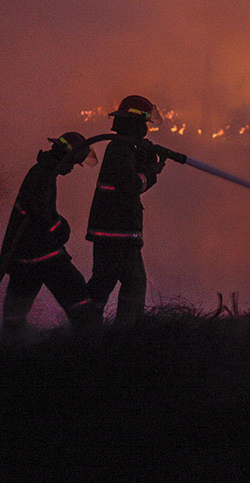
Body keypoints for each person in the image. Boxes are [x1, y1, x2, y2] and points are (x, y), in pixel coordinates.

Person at [0, 131, 100, 333]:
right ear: (66, 156)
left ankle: (12, 344)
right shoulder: (44, 174)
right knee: (76, 294)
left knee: (15, 311)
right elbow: (43, 214)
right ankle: (91, 339)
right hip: (43, 255)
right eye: (73, 163)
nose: (71, 168)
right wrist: (62, 227)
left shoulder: (44, 171)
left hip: (25, 256)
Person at [86, 95, 165, 325]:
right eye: (143, 123)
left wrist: (144, 159)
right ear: (135, 124)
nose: (145, 130)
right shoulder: (120, 150)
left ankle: (86, 328)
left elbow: (126, 178)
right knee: (134, 283)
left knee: (102, 283)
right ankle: (126, 332)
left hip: (110, 231)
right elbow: (131, 185)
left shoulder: (122, 148)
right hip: (119, 232)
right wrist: (151, 172)